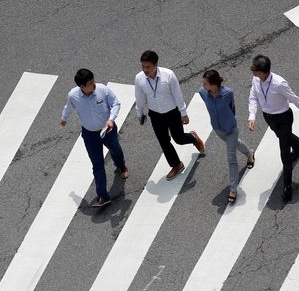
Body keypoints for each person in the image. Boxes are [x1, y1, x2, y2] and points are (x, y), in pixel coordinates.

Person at [247, 54, 299, 203]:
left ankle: (287, 187)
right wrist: (252, 116)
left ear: (263, 71)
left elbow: (293, 97)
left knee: (284, 152)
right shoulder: (256, 80)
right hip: (269, 118)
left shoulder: (279, 83)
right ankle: (297, 144)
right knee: (282, 137)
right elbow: (253, 97)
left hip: (283, 117)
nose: (252, 72)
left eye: (254, 69)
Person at [61, 68, 129, 208]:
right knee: (97, 165)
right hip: (89, 135)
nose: (94, 84)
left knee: (115, 150)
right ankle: (103, 196)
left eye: (93, 80)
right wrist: (64, 118)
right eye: (90, 83)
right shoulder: (73, 95)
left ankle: (121, 166)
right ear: (82, 86)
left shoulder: (102, 90)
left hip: (107, 130)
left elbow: (116, 103)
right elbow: (69, 107)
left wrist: (111, 119)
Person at [134, 50, 205, 180]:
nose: (145, 70)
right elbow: (139, 98)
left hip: (172, 113)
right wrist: (140, 114)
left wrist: (183, 113)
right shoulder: (139, 79)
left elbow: (178, 95)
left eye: (148, 67)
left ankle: (193, 138)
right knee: (163, 141)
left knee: (179, 138)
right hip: (155, 115)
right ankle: (176, 165)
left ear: (155, 65)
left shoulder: (168, 76)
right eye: (143, 66)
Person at [199, 69, 255, 204]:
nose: (203, 86)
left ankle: (233, 189)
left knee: (231, 158)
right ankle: (249, 153)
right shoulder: (203, 93)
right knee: (235, 144)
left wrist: (228, 120)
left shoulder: (227, 93)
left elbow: (232, 108)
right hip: (218, 130)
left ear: (214, 84)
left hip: (231, 129)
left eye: (205, 83)